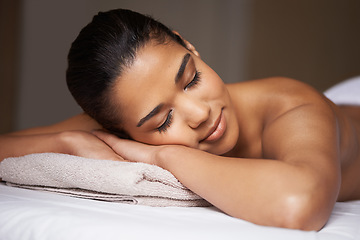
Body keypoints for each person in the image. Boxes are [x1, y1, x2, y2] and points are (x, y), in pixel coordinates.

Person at [0, 9, 359, 231]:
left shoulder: (291, 105)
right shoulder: (124, 120)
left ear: (189, 46)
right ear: (120, 131)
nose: (201, 114)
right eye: (162, 122)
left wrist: (163, 155)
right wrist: (68, 143)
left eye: (192, 79)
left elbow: (300, 204)